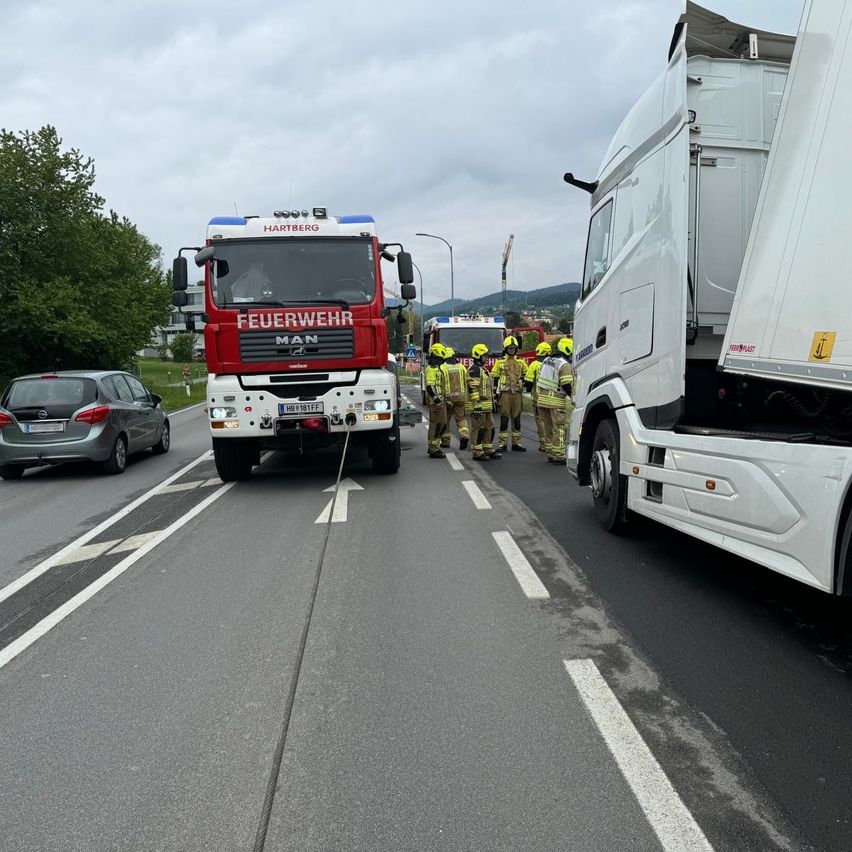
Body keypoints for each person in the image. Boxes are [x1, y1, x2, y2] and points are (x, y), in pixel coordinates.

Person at [536, 337, 574, 464]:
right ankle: (559, 455)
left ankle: (550, 453)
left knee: (548, 428)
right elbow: (566, 384)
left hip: (542, 400)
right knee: (559, 428)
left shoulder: (547, 360)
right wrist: (573, 398)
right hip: (556, 401)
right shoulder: (564, 364)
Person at [491, 335, 527, 452]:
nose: (512, 350)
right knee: (504, 418)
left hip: (517, 394)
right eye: (509, 348)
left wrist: (523, 382)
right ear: (505, 349)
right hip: (505, 394)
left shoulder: (521, 362)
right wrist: (495, 395)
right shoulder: (499, 362)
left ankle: (517, 443)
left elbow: (527, 375)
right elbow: (495, 378)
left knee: (517, 419)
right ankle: (502, 444)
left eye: (513, 348)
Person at [467, 343, 502, 461]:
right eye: (485, 356)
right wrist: (476, 404)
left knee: (489, 427)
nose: (487, 358)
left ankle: (487, 449)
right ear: (478, 355)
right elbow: (473, 388)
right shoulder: (475, 370)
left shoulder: (483, 369)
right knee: (478, 428)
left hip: (487, 407)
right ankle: (477, 451)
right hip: (479, 406)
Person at [524, 342, 552, 452]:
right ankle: (553, 444)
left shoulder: (534, 365)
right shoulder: (554, 364)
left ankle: (544, 444)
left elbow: (528, 383)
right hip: (551, 398)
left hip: (538, 398)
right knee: (551, 421)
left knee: (540, 420)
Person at [440, 347, 469, 450]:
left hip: (448, 399)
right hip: (461, 398)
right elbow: (467, 380)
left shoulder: (442, 368)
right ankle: (464, 436)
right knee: (461, 419)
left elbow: (441, 383)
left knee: (445, 420)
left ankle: (445, 442)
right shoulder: (461, 367)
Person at [424, 343, 449, 458]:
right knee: (435, 424)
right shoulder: (431, 369)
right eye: (440, 359)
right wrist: (437, 400)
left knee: (443, 424)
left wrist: (445, 400)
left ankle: (436, 445)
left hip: (441, 402)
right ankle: (433, 448)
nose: (442, 361)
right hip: (435, 403)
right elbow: (430, 386)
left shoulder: (438, 368)